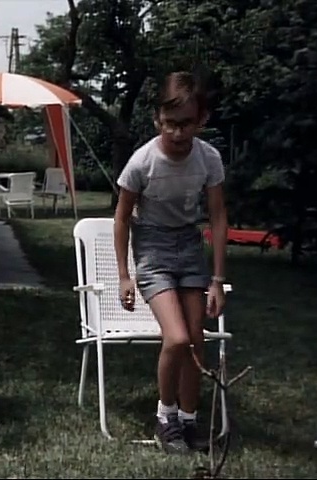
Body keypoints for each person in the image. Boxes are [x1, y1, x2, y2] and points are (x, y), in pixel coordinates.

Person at [114, 71, 228, 454]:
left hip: (190, 247)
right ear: (157, 119)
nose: (178, 133)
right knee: (176, 338)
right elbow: (121, 218)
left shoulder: (208, 158)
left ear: (201, 120)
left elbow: (218, 217)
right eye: (170, 123)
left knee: (196, 340)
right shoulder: (142, 162)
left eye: (186, 124)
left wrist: (217, 280)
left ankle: (189, 420)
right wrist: (125, 276)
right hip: (153, 249)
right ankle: (166, 416)